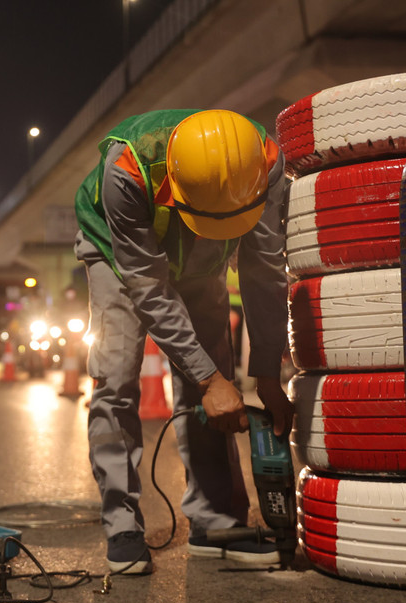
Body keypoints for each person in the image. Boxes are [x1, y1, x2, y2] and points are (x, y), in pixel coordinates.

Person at [73, 109, 294, 575]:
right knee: (116, 375)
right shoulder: (126, 170)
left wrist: (269, 372)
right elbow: (149, 287)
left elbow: (265, 268)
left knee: (215, 380)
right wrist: (210, 379)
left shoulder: (266, 162)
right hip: (119, 254)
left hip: (202, 256)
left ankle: (214, 521)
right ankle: (122, 525)